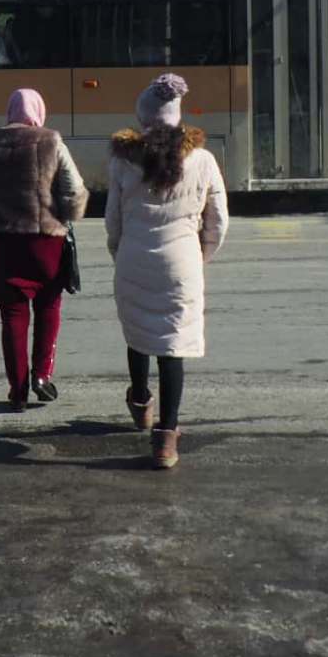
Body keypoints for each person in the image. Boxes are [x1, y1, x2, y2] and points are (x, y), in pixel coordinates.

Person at [105, 72, 228, 470]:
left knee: (139, 334)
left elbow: (113, 221)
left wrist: (120, 253)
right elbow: (218, 220)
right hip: (182, 263)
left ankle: (140, 402)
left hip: (133, 257)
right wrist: (200, 254)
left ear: (144, 118)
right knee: (172, 346)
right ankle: (165, 440)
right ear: (178, 116)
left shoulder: (124, 161)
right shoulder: (203, 160)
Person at [0, 87, 89, 411]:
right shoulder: (51, 141)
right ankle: (42, 376)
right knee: (49, 307)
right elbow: (74, 189)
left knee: (13, 316)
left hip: (4, 245)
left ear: (9, 112)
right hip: (46, 242)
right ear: (38, 111)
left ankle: (17, 391)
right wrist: (66, 217)